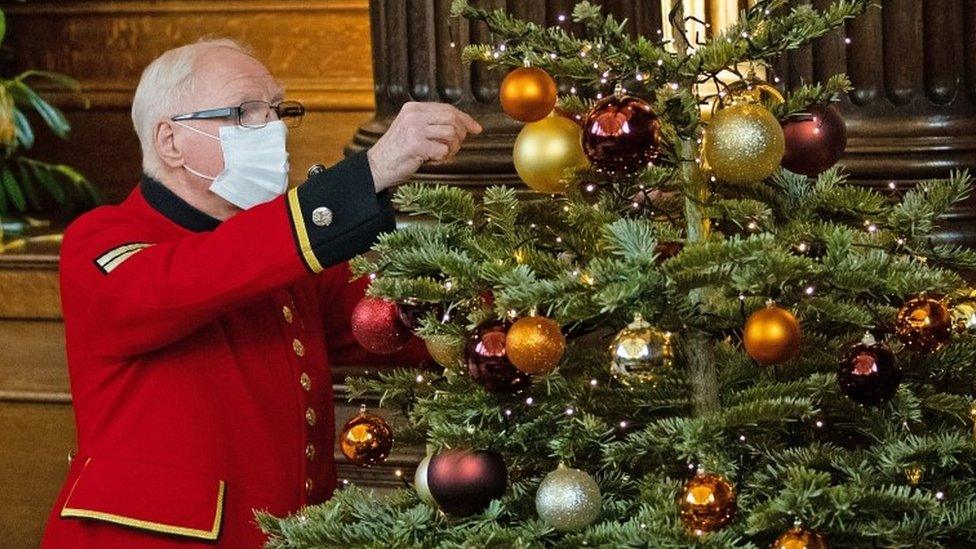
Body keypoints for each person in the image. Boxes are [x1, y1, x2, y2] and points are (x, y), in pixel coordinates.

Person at [41, 38, 481, 548]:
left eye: (277, 110)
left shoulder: (284, 251)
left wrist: (510, 314)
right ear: (170, 141)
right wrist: (369, 172)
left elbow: (387, 326)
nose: (272, 128)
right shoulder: (101, 238)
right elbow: (185, 281)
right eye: (247, 112)